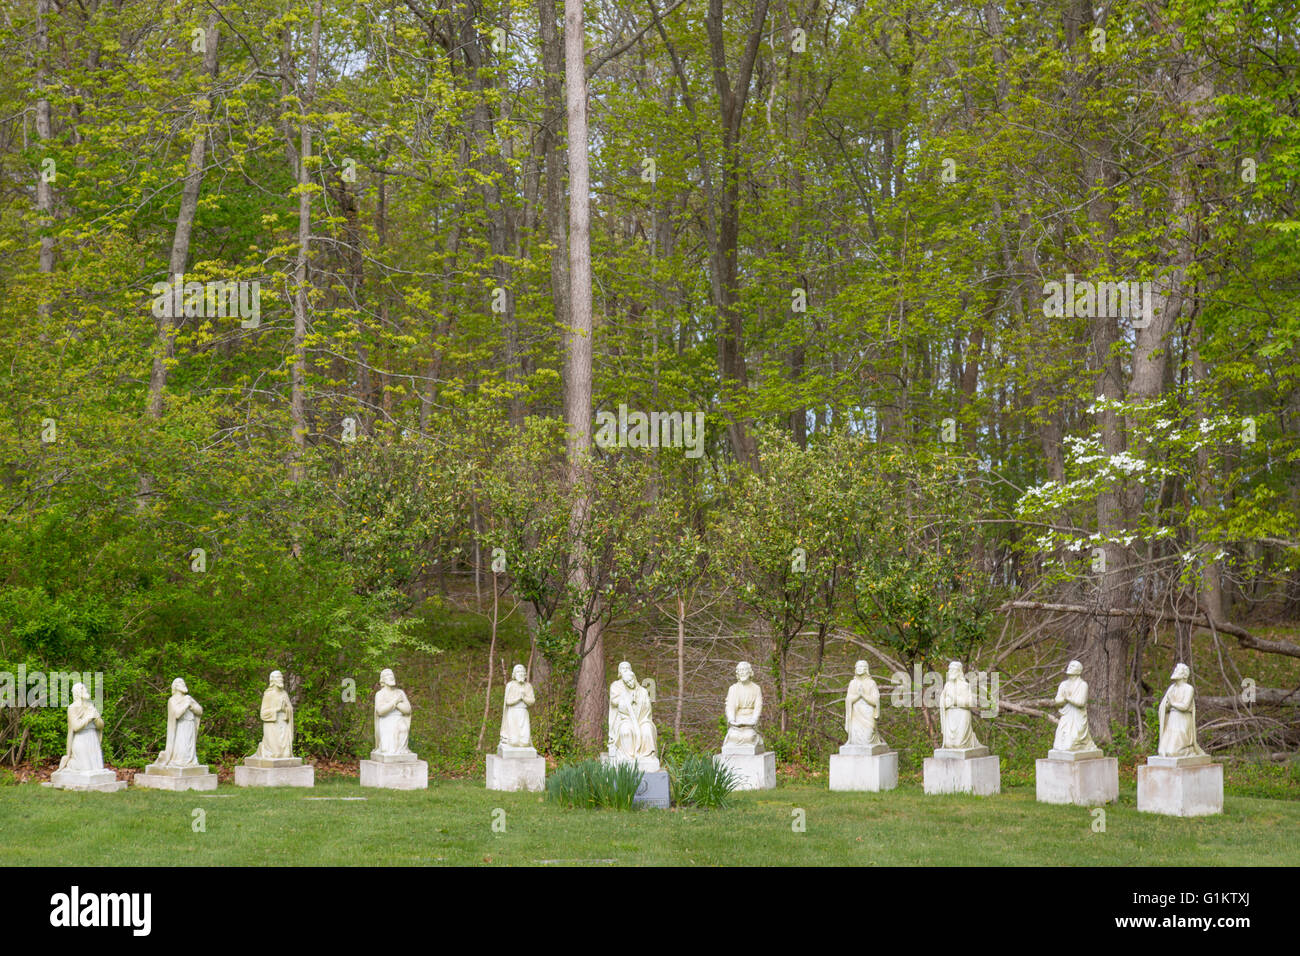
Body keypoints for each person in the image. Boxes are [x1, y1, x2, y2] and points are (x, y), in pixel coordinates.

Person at [607, 661, 657, 760]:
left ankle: (646, 756)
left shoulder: (642, 691)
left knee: (647, 730)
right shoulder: (616, 685)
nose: (625, 669)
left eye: (627, 667)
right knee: (626, 731)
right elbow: (614, 701)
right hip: (624, 718)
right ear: (619, 671)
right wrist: (627, 701)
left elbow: (647, 707)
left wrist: (637, 702)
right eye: (623, 668)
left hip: (642, 719)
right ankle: (628, 757)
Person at [1157, 663, 1207, 758]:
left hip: (1182, 721)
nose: (1175, 671)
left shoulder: (1188, 689)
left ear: (1184, 674)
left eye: (1177, 670)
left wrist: (1172, 703)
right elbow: (1165, 706)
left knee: (1173, 753)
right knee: (1162, 752)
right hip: (1171, 721)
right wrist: (1167, 705)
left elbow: (1184, 706)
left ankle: (1189, 749)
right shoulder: (1172, 688)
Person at [1052, 661, 1098, 752]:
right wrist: (1065, 699)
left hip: (1078, 717)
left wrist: (1067, 698)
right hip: (1066, 716)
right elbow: (1057, 701)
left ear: (1079, 670)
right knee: (1058, 745)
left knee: (1071, 745)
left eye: (1072, 666)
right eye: (1069, 665)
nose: (1069, 667)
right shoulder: (1063, 685)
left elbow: (1081, 702)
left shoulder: (1083, 685)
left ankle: (1084, 744)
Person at [58, 682, 105, 772]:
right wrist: (88, 717)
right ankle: (69, 763)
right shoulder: (72, 708)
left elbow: (101, 726)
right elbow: (76, 727)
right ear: (77, 692)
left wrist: (96, 718)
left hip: (93, 738)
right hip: (81, 739)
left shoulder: (91, 706)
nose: (86, 690)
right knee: (85, 768)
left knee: (97, 768)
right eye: (82, 689)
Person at [158, 677, 203, 768]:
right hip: (180, 726)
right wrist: (186, 704)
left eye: (184, 682)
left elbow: (200, 711)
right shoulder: (172, 700)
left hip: (190, 725)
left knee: (190, 748)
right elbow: (177, 714)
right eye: (181, 683)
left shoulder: (188, 698)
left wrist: (192, 706)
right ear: (175, 686)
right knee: (182, 748)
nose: (184, 684)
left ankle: (190, 762)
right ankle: (180, 762)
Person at [940, 660, 981, 749]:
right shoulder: (947, 686)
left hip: (962, 715)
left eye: (952, 670)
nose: (950, 672)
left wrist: (954, 700)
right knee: (949, 744)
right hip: (950, 716)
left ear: (958, 671)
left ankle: (971, 740)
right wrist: (946, 702)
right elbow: (943, 701)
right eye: (949, 670)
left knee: (960, 744)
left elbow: (970, 702)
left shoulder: (965, 685)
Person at [255, 670, 294, 759]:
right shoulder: (268, 694)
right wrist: (277, 709)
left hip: (283, 725)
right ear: (272, 680)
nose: (281, 679)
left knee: (286, 755)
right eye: (278, 677)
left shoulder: (284, 694)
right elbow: (263, 714)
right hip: (272, 726)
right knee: (276, 755)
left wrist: (285, 710)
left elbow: (290, 709)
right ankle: (263, 748)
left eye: (281, 677)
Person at [723, 662, 763, 748]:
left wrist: (753, 720)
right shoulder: (733, 689)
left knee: (749, 737)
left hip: (750, 719)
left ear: (749, 672)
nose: (742, 672)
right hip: (737, 720)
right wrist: (732, 720)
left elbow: (758, 707)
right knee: (733, 737)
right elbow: (730, 706)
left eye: (744, 670)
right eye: (740, 670)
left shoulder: (756, 689)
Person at [845, 660, 884, 747]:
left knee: (867, 738)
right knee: (855, 742)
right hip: (856, 715)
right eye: (857, 666)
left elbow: (875, 701)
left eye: (862, 666)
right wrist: (858, 696)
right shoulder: (852, 683)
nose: (859, 668)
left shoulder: (871, 683)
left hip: (868, 714)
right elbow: (848, 699)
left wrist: (864, 695)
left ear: (866, 669)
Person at [374, 668, 413, 754]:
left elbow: (408, 710)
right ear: (383, 679)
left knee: (403, 728)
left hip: (399, 719)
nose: (391, 677)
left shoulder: (400, 693)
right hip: (386, 720)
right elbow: (380, 711)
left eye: (392, 675)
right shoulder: (380, 694)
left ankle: (401, 750)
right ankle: (388, 749)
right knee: (388, 745)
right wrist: (395, 701)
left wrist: (396, 703)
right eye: (388, 676)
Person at [499, 664, 535, 749]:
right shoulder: (510, 685)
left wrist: (524, 697)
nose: (520, 673)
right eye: (518, 672)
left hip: (523, 713)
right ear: (514, 674)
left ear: (525, 674)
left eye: (522, 671)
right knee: (514, 742)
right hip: (513, 713)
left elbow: (532, 701)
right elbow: (508, 702)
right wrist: (519, 698)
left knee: (525, 742)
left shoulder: (528, 686)